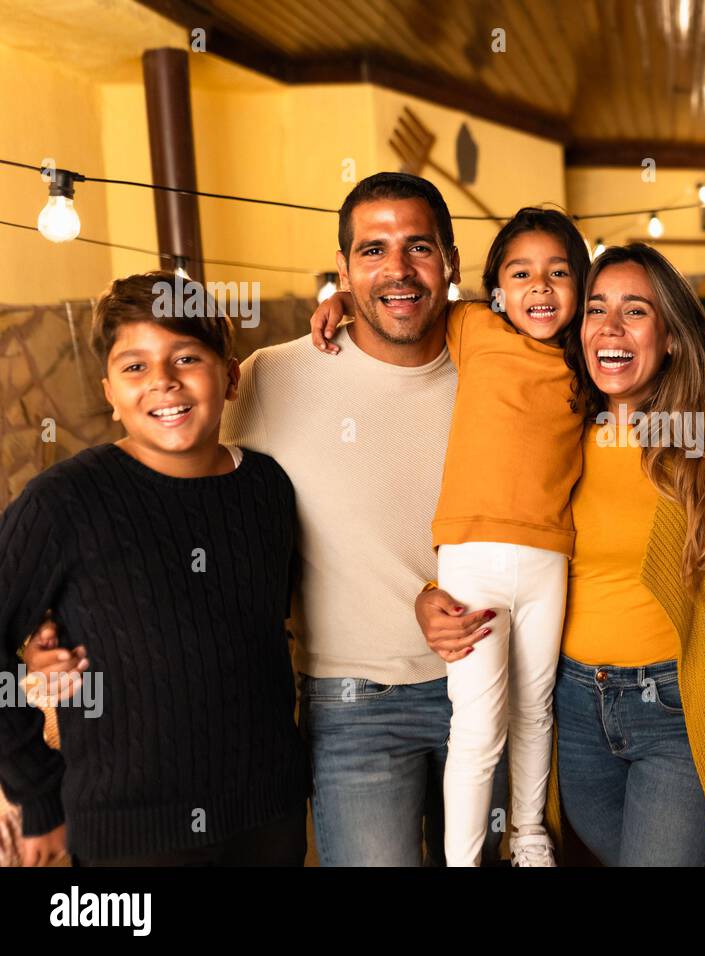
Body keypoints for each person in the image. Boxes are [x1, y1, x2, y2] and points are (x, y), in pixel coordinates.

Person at [418, 243, 705, 865]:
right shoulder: (565, 427)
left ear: (673, 337)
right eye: (597, 308)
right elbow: (488, 520)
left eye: (635, 312)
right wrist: (428, 593)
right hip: (572, 708)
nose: (610, 327)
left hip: (672, 709)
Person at [222, 172, 506, 866]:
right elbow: (176, 486)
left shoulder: (500, 373)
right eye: (373, 251)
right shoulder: (273, 378)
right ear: (344, 271)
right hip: (354, 707)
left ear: (452, 262)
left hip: (488, 685)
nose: (399, 270)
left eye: (419, 247)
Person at [308, 207, 590, 866]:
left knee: (535, 707)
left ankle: (526, 835)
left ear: (582, 287)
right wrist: (342, 296)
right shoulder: (473, 326)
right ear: (494, 290)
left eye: (558, 274)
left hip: (551, 559)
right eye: (521, 273)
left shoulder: (589, 365)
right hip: (473, 559)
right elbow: (404, 297)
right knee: (478, 725)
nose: (540, 289)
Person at [0, 272, 308, 866]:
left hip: (269, 818)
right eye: (135, 366)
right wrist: (38, 793)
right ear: (109, 394)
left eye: (186, 357)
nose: (163, 381)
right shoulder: (61, 502)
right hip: (129, 839)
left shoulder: (268, 489)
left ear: (231, 376)